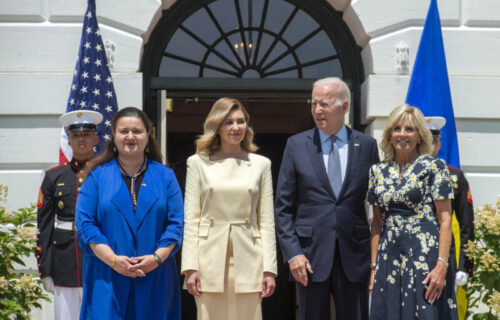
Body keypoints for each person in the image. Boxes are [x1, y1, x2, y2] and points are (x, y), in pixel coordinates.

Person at [275, 77, 380, 320]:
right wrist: (293, 253)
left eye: (325, 104)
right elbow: (283, 208)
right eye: (314, 104)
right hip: (309, 257)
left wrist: (376, 259)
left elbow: (379, 205)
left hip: (354, 256)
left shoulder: (366, 146)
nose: (317, 110)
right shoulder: (296, 145)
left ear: (344, 107)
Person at [75, 107, 183, 319]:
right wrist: (114, 260)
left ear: (148, 135)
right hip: (106, 275)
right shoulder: (96, 177)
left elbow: (175, 225)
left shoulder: (166, 176)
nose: (131, 136)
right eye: (124, 131)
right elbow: (86, 226)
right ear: (113, 136)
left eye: (137, 131)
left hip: (155, 276)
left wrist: (156, 259)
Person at [181, 97, 277, 320]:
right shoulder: (197, 163)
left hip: (250, 258)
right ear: (217, 126)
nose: (236, 127)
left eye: (240, 121)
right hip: (207, 261)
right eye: (228, 122)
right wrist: (190, 268)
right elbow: (191, 219)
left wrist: (269, 269)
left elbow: (267, 222)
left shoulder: (261, 164)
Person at [368, 105, 458, 319]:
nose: (402, 134)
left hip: (424, 257)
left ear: (420, 135)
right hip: (388, 258)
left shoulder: (434, 167)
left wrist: (441, 265)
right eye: (396, 128)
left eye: (409, 129)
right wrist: (373, 268)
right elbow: (377, 223)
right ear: (389, 134)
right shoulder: (377, 171)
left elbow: (445, 220)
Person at [36, 110, 102, 320]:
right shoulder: (54, 177)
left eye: (86, 135)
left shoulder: (109, 173)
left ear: (96, 139)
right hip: (65, 262)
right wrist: (44, 267)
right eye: (76, 135)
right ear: (69, 140)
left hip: (102, 259)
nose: (81, 139)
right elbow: (43, 225)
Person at [426, 116, 475, 318]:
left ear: (439, 143)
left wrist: (465, 266)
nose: (430, 146)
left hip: (446, 257)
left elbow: (467, 224)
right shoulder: (403, 175)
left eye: (433, 141)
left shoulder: (454, 176)